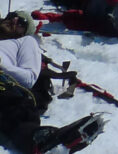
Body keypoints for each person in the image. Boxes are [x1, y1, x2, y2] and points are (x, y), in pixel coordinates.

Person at [0, 10, 105, 153]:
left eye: (21, 22)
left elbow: (29, 78)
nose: (14, 20)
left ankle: (41, 142)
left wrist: (2, 64)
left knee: (13, 108)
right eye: (13, 16)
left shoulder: (25, 42)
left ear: (24, 33)